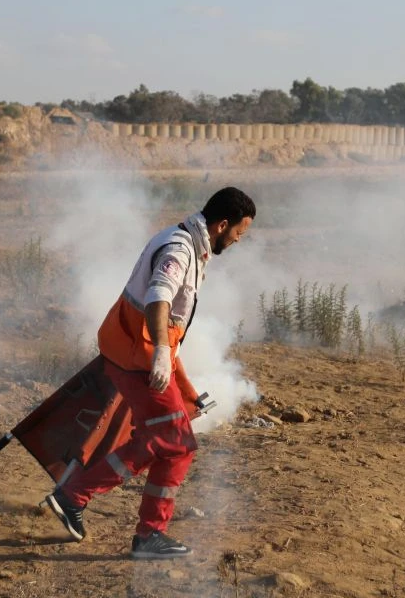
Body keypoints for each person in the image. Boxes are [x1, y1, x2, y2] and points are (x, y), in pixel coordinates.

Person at [44, 187, 255, 560]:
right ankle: (92, 504)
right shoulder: (180, 249)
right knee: (176, 443)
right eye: (239, 232)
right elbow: (159, 297)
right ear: (222, 224)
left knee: (168, 442)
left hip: (133, 351)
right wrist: (160, 352)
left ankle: (124, 520)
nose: (238, 240)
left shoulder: (186, 242)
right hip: (139, 356)